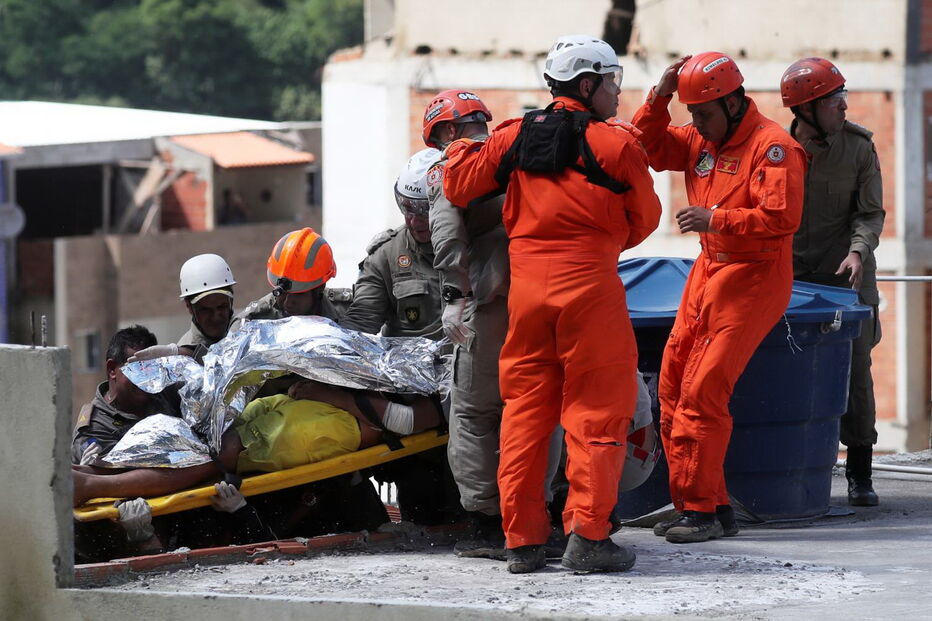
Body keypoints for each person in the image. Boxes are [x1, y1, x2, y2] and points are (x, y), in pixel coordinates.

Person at [443, 35, 662, 573]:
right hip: (590, 289)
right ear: (587, 84)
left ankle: (521, 542)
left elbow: (458, 183)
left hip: (527, 291)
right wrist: (600, 243)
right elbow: (646, 220)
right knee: (598, 412)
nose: (616, 91)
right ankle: (588, 537)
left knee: (524, 412)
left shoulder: (513, 136)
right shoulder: (616, 145)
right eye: (611, 82)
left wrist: (460, 144)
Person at [632, 52, 805, 543]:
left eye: (702, 112)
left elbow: (781, 219)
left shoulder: (773, 147)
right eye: (691, 114)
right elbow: (647, 148)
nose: (696, 123)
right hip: (710, 268)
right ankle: (702, 504)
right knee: (670, 386)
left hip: (754, 274)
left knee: (702, 393)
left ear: (731, 102)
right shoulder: (702, 137)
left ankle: (702, 511)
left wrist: (717, 220)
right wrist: (660, 95)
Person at [424, 88, 566, 559]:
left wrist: (455, 295)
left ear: (447, 131)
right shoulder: (523, 148)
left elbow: (446, 237)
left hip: (494, 303)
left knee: (473, 413)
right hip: (551, 295)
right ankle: (543, 514)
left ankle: (489, 524)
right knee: (540, 411)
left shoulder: (458, 164)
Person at [781, 57, 885, 506]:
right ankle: (786, 468)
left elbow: (870, 213)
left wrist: (858, 251)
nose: (843, 107)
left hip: (846, 277)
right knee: (784, 370)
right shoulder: (773, 149)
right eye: (833, 100)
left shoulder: (859, 148)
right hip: (788, 280)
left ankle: (860, 472)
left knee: (855, 374)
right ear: (806, 109)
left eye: (843, 98)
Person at [72, 381, 443, 507]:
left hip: (330, 427)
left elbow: (404, 421)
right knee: (201, 436)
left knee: (221, 453)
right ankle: (93, 470)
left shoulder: (444, 394)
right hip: (300, 407)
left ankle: (95, 484)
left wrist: (331, 394)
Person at [341, 148, 444, 338]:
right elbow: (360, 321)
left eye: (424, 210)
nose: (413, 221)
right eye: (406, 207)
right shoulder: (387, 255)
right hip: (407, 365)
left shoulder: (479, 245)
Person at [129, 254, 236, 363]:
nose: (215, 316)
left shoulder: (247, 327)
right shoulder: (180, 357)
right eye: (206, 310)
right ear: (189, 306)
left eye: (222, 307)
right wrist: (184, 354)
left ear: (231, 301)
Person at [232, 227, 343, 328]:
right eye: (282, 292)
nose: (288, 303)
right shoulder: (251, 321)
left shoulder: (346, 311)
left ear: (320, 288)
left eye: (298, 294)